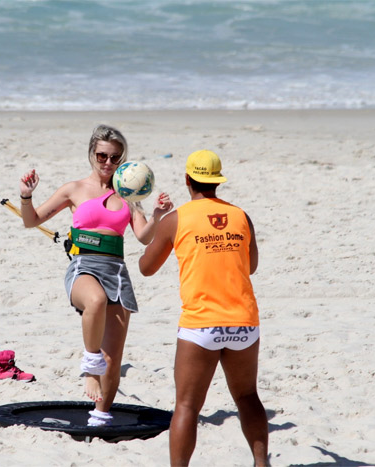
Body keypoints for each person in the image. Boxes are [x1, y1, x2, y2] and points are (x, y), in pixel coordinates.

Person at [19, 124, 173, 426]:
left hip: (116, 272)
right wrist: (26, 196)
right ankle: (90, 365)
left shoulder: (127, 193)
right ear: (92, 153)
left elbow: (142, 237)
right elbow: (32, 220)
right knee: (96, 301)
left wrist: (157, 215)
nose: (108, 163)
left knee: (113, 360)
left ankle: (101, 416)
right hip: (84, 267)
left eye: (115, 158)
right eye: (102, 155)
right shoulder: (73, 189)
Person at [138, 150, 268, 466]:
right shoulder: (241, 215)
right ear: (217, 181)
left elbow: (146, 267)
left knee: (186, 406)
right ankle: (262, 463)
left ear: (187, 180)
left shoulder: (176, 219)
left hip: (201, 325)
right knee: (248, 397)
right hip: (243, 322)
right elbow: (251, 266)